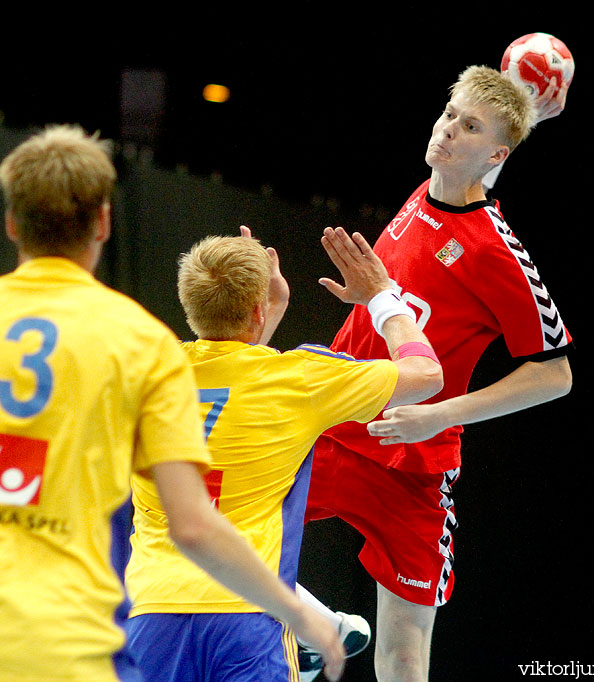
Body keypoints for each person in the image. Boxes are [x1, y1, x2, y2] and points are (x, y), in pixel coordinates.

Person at [0, 125, 345, 682]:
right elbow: (194, 525)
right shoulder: (137, 344)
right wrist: (299, 611)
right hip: (71, 641)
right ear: (104, 223)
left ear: (13, 223)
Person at [300, 65, 574, 682]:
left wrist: (439, 414)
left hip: (414, 463)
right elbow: (409, 301)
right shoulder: (421, 194)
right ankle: (320, 630)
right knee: (214, 519)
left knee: (402, 656)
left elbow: (555, 375)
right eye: (450, 115)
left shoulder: (497, 253)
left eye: (470, 126)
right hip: (338, 425)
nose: (448, 131)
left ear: (497, 154)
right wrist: (367, 298)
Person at [123, 225, 444, 681]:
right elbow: (427, 374)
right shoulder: (300, 377)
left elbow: (228, 369)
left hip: (151, 612)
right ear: (257, 309)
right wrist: (383, 296)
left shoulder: (145, 372)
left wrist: (264, 313)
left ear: (188, 304)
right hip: (248, 614)